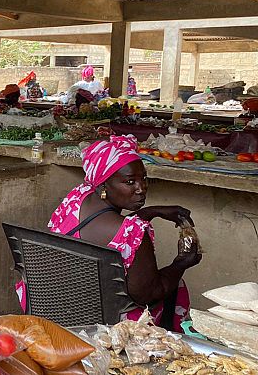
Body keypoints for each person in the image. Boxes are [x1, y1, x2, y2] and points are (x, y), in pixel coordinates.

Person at [15, 135, 201, 331]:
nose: (141, 189)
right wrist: (181, 263)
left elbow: (102, 225)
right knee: (175, 284)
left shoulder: (76, 198)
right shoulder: (134, 233)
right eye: (130, 182)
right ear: (104, 185)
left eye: (144, 179)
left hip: (58, 307)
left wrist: (148, 212)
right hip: (107, 326)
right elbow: (147, 294)